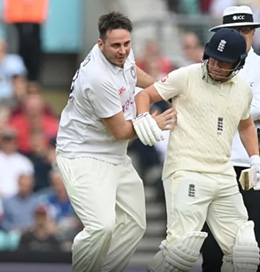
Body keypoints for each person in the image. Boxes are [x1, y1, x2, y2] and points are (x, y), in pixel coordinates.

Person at [135, 28, 260, 272]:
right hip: (186, 170)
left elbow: (247, 125)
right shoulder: (185, 76)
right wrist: (144, 117)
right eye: (213, 59)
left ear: (238, 64)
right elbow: (144, 94)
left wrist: (255, 159)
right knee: (180, 253)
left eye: (224, 63)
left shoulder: (243, 90)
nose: (216, 66)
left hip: (223, 174)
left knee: (245, 251)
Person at [55, 11, 176, 272]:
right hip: (82, 155)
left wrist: (163, 90)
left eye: (126, 44)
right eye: (116, 46)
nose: (122, 51)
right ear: (100, 45)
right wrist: (153, 123)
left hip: (114, 155)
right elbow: (120, 131)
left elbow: (133, 73)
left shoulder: (122, 53)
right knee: (101, 227)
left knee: (134, 223)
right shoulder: (97, 78)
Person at [201, 5, 260, 272]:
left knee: (252, 246)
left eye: (246, 29)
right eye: (234, 30)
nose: (242, 34)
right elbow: (252, 113)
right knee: (211, 248)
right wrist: (245, 113)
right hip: (215, 163)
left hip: (252, 165)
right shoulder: (209, 66)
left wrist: (219, 110)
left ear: (253, 33)